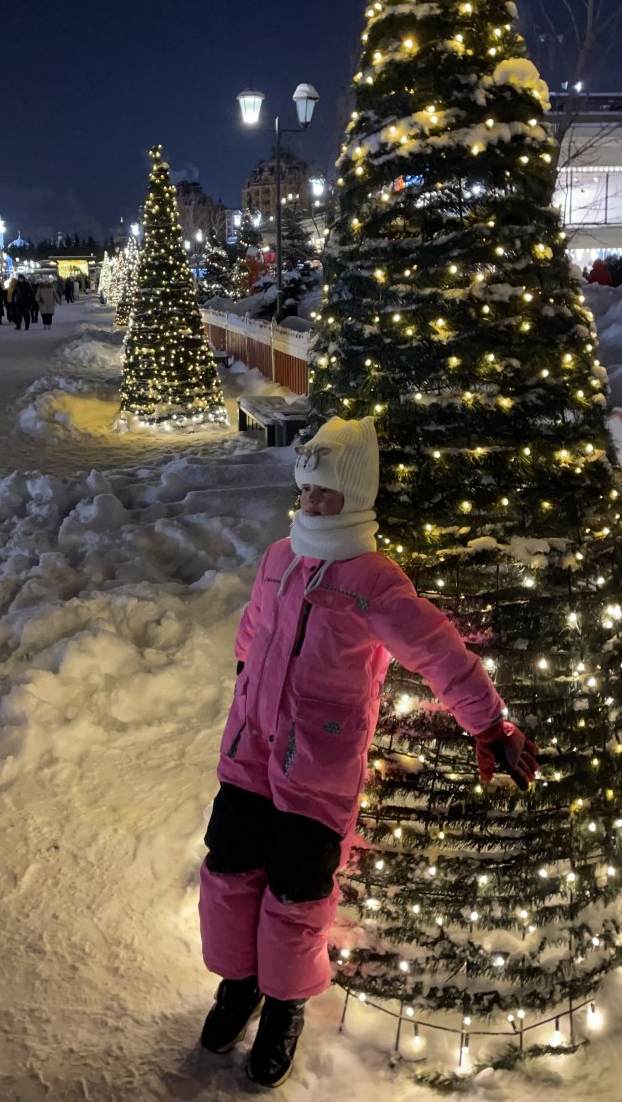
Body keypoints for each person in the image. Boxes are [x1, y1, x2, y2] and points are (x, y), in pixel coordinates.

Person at [197, 416, 537, 1088]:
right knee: (230, 865)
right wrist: (245, 678)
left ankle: (284, 1007)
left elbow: (440, 651)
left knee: (296, 889)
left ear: (353, 497)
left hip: (315, 767)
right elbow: (254, 629)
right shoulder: (279, 557)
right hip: (249, 750)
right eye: (304, 489)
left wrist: (489, 722)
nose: (308, 503)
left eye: (322, 492)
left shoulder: (374, 580)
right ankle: (238, 984)